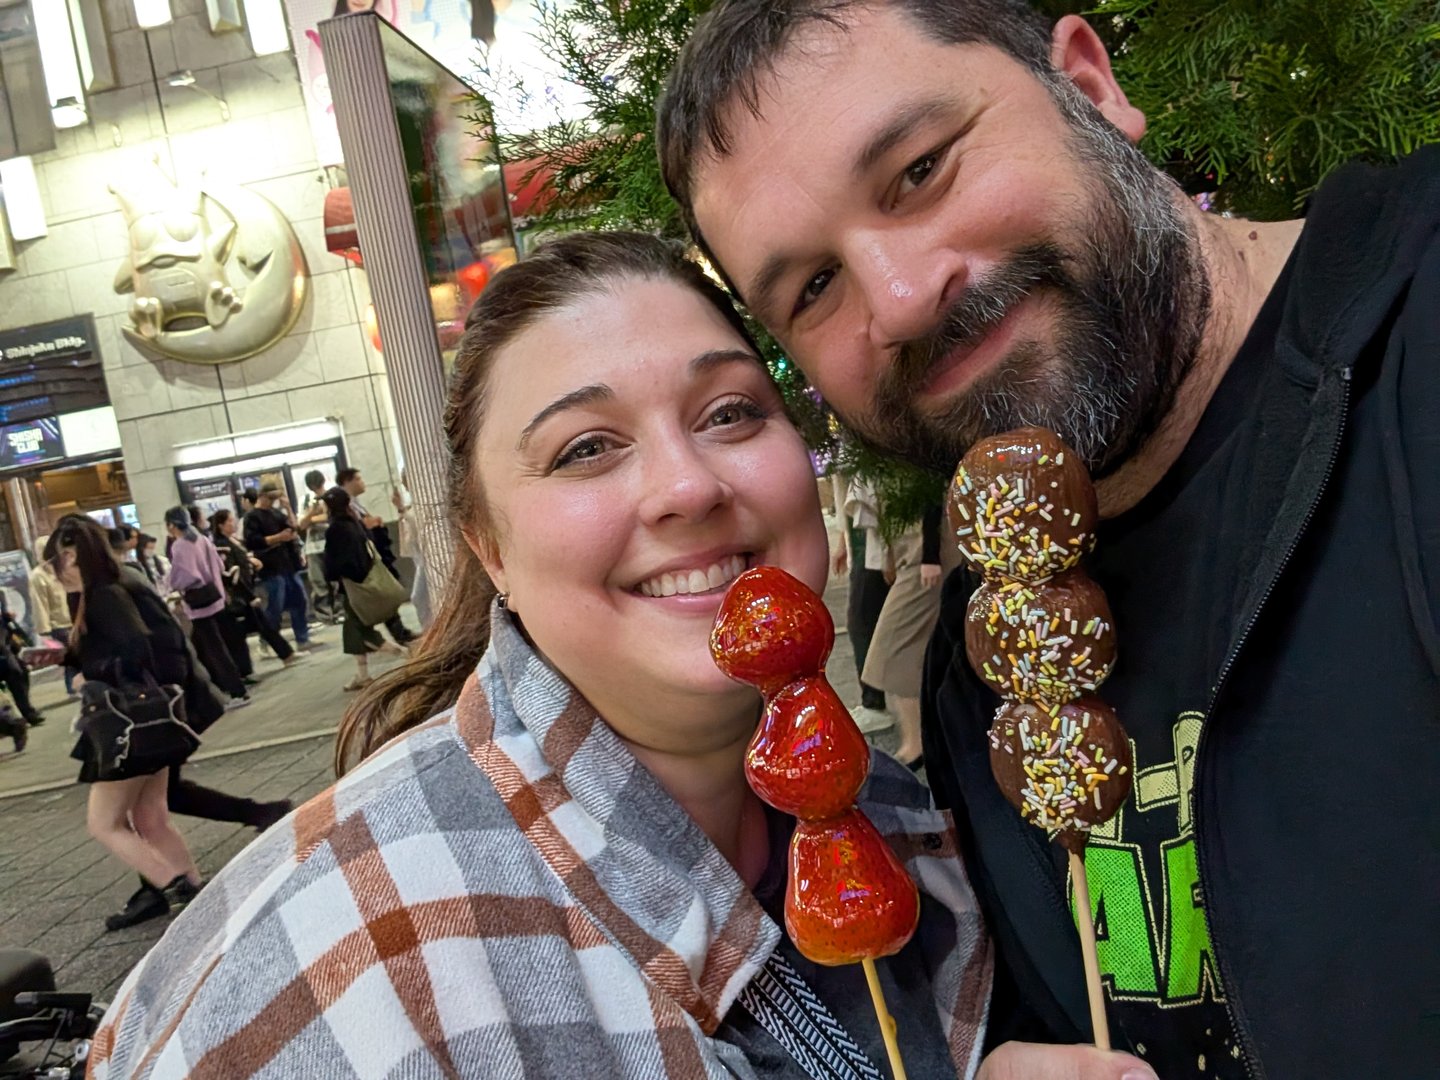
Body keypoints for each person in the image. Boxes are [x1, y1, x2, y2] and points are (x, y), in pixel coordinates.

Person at [657, 3, 1440, 1077]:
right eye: (815, 288)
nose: (898, 297)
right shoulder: (980, 661)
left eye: (921, 168)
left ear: (1089, 84)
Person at [89, 232, 991, 1079]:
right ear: (489, 549)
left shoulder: (909, 815)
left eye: (729, 412)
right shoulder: (350, 954)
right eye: (587, 448)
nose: (688, 486)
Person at [53, 514, 210, 931]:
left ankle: (178, 889)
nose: (54, 571)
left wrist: (91, 673)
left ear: (71, 558)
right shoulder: (109, 586)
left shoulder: (103, 595)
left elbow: (133, 650)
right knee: (150, 816)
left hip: (128, 723)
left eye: (57, 562)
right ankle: (197, 894)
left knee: (104, 823)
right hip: (150, 720)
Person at [861, 503, 953, 768]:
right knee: (916, 645)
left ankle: (916, 743)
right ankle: (919, 739)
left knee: (892, 647)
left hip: (926, 550)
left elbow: (928, 492)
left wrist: (930, 556)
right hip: (913, 548)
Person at [320, 485, 407, 692]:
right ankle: (363, 675)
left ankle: (403, 653)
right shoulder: (354, 523)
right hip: (363, 580)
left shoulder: (335, 529)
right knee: (353, 629)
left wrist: (333, 576)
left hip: (353, 587)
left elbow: (336, 562)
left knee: (358, 629)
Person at [163, 507, 250, 709]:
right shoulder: (201, 539)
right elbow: (219, 566)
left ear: (172, 525)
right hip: (215, 596)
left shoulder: (179, 546)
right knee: (214, 646)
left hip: (198, 602)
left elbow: (185, 575)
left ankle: (236, 691)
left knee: (213, 649)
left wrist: (173, 585)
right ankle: (225, 688)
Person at [211, 509, 305, 678]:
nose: (233, 523)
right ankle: (245, 670)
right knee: (241, 634)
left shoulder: (234, 541)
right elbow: (231, 572)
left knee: (264, 626)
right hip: (239, 595)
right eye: (229, 521)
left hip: (247, 589)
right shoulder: (221, 545)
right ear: (221, 525)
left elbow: (242, 560)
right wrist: (249, 595)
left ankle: (285, 654)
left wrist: (251, 562)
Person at [336, 466, 417, 645]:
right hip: (360, 561)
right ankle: (376, 639)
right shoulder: (345, 504)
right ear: (347, 481)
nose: (362, 482)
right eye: (358, 479)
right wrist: (367, 525)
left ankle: (397, 631)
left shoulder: (355, 502)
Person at [242, 483, 312, 650]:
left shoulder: (276, 513)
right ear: (263, 496)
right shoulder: (252, 517)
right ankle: (267, 639)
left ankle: (302, 638)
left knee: (299, 600)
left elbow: (294, 528)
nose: (273, 502)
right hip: (270, 566)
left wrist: (287, 508)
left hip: (288, 563)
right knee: (276, 605)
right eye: (271, 498)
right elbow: (253, 541)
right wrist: (278, 537)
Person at [30, 537, 75, 697]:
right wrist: (45, 631)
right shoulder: (38, 576)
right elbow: (39, 604)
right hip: (58, 625)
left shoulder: (63, 569)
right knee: (71, 657)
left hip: (72, 620)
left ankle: (74, 686)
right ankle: (72, 687)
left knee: (76, 655)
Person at [295, 469, 340, 623]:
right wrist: (313, 513)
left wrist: (313, 518)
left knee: (336, 581)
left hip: (332, 545)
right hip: (313, 548)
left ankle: (339, 612)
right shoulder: (305, 500)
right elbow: (301, 524)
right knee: (318, 582)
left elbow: (331, 517)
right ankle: (325, 616)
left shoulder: (331, 496)